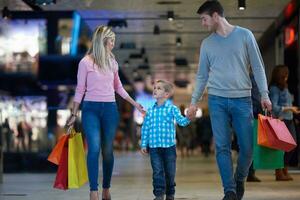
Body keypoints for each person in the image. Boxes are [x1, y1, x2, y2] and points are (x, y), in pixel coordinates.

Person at [187, 1, 272, 200]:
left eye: (204, 19)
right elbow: (201, 76)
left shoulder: (245, 35)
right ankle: (230, 191)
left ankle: (239, 178)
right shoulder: (207, 44)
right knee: (222, 147)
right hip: (216, 100)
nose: (203, 23)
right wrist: (193, 102)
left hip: (242, 100)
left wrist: (265, 95)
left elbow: (258, 67)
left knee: (248, 149)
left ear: (216, 16)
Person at [66, 25, 145, 200]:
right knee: (93, 148)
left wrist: (135, 104)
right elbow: (80, 90)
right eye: (111, 41)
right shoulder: (85, 62)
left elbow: (118, 88)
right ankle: (93, 191)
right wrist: (73, 114)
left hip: (110, 110)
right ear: (103, 41)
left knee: (107, 150)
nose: (113, 45)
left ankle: (106, 188)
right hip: (91, 110)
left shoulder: (112, 62)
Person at [140, 80, 191, 200]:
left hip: (169, 147)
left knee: (170, 172)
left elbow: (182, 122)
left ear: (166, 94)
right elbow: (145, 128)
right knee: (157, 171)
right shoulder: (150, 111)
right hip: (154, 147)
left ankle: (170, 194)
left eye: (159, 88)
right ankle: (158, 194)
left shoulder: (172, 109)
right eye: (154, 88)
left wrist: (188, 117)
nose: (155, 90)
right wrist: (143, 144)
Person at [269, 64, 300, 181]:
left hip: (289, 119)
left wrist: (292, 110)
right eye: (285, 75)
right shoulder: (274, 89)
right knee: (281, 147)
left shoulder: (284, 87)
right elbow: (274, 107)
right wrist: (289, 108)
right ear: (281, 75)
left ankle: (283, 169)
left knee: (292, 145)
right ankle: (279, 171)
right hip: (281, 120)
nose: (287, 77)